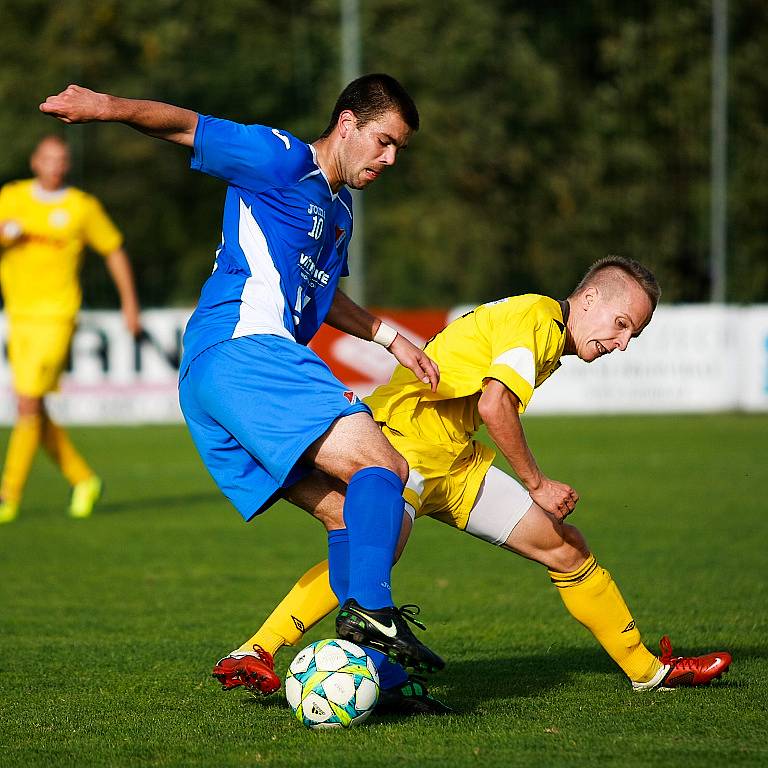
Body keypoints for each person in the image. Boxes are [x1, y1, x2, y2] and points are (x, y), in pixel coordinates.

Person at [40, 75, 446, 678]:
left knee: (350, 517)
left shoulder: (339, 214)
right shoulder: (278, 158)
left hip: (215, 374)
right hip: (244, 346)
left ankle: (367, 670)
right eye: (384, 141)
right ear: (348, 123)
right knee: (384, 468)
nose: (390, 159)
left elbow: (325, 295)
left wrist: (390, 338)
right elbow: (185, 124)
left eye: (399, 151)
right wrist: (105, 107)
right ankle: (375, 619)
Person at [211, 256, 732, 715]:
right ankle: (257, 649)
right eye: (621, 325)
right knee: (374, 550)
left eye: (631, 336)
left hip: (456, 462)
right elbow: (494, 402)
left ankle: (648, 672)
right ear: (589, 298)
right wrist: (538, 483)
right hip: (405, 444)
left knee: (566, 549)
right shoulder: (540, 320)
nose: (620, 344)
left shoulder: (542, 325)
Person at [0, 135, 141, 523]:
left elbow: (113, 249)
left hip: (57, 317)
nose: (55, 165)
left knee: (27, 402)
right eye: (48, 158)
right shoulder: (11, 198)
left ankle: (7, 495)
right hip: (18, 317)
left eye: (61, 159)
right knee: (32, 406)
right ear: (34, 162)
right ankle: (83, 479)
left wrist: (129, 303)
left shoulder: (81, 207)